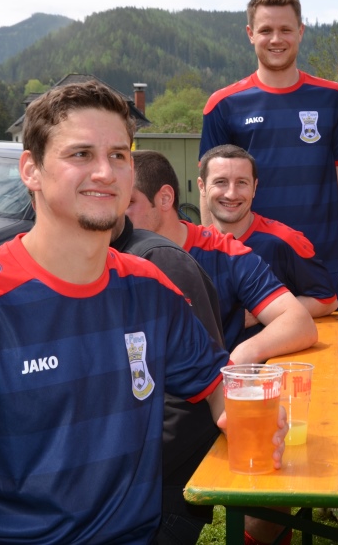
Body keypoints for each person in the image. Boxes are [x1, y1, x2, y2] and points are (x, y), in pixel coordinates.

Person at [0, 81, 286, 544]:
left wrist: (247, 414)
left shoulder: (150, 288)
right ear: (31, 170)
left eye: (119, 155)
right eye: (81, 154)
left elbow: (217, 385)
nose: (105, 172)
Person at [199, 0, 338, 307]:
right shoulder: (223, 105)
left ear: (300, 32)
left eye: (285, 30)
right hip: (249, 262)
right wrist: (212, 255)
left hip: (321, 260)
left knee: (327, 338)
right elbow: (210, 187)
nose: (276, 39)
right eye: (266, 30)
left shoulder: (332, 99)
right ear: (250, 34)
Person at [127, 149, 317, 364]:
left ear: (165, 198)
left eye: (129, 202)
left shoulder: (226, 252)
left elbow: (300, 322)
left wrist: (236, 362)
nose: (117, 213)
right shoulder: (107, 255)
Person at [109, 216, 225, 545]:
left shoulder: (156, 261)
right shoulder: (79, 270)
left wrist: (122, 474)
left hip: (162, 494)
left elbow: (200, 392)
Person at [199, 143, 338, 318]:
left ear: (254, 187)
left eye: (242, 182)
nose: (231, 194)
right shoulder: (193, 247)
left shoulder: (284, 240)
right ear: (202, 186)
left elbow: (327, 301)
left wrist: (259, 314)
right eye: (221, 182)